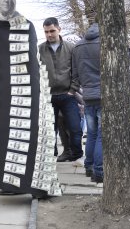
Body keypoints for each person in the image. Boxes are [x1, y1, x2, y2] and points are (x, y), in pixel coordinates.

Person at [0, 0, 60, 198]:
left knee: (28, 137)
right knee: (1, 138)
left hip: (25, 93)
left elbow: (32, 65)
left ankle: (36, 186)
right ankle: (10, 183)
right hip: (0, 95)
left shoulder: (25, 25)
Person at [38, 17, 83, 162]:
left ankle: (76, 153)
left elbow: (76, 71)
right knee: (50, 130)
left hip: (67, 94)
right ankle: (52, 154)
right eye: (46, 32)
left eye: (52, 31)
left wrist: (73, 89)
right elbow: (36, 72)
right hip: (48, 96)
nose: (49, 34)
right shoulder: (39, 49)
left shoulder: (71, 48)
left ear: (59, 29)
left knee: (75, 128)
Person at [72, 22, 103, 183]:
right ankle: (99, 172)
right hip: (104, 95)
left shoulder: (77, 47)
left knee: (91, 134)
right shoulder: (105, 43)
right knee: (101, 136)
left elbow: (75, 74)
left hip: (88, 95)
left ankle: (89, 166)